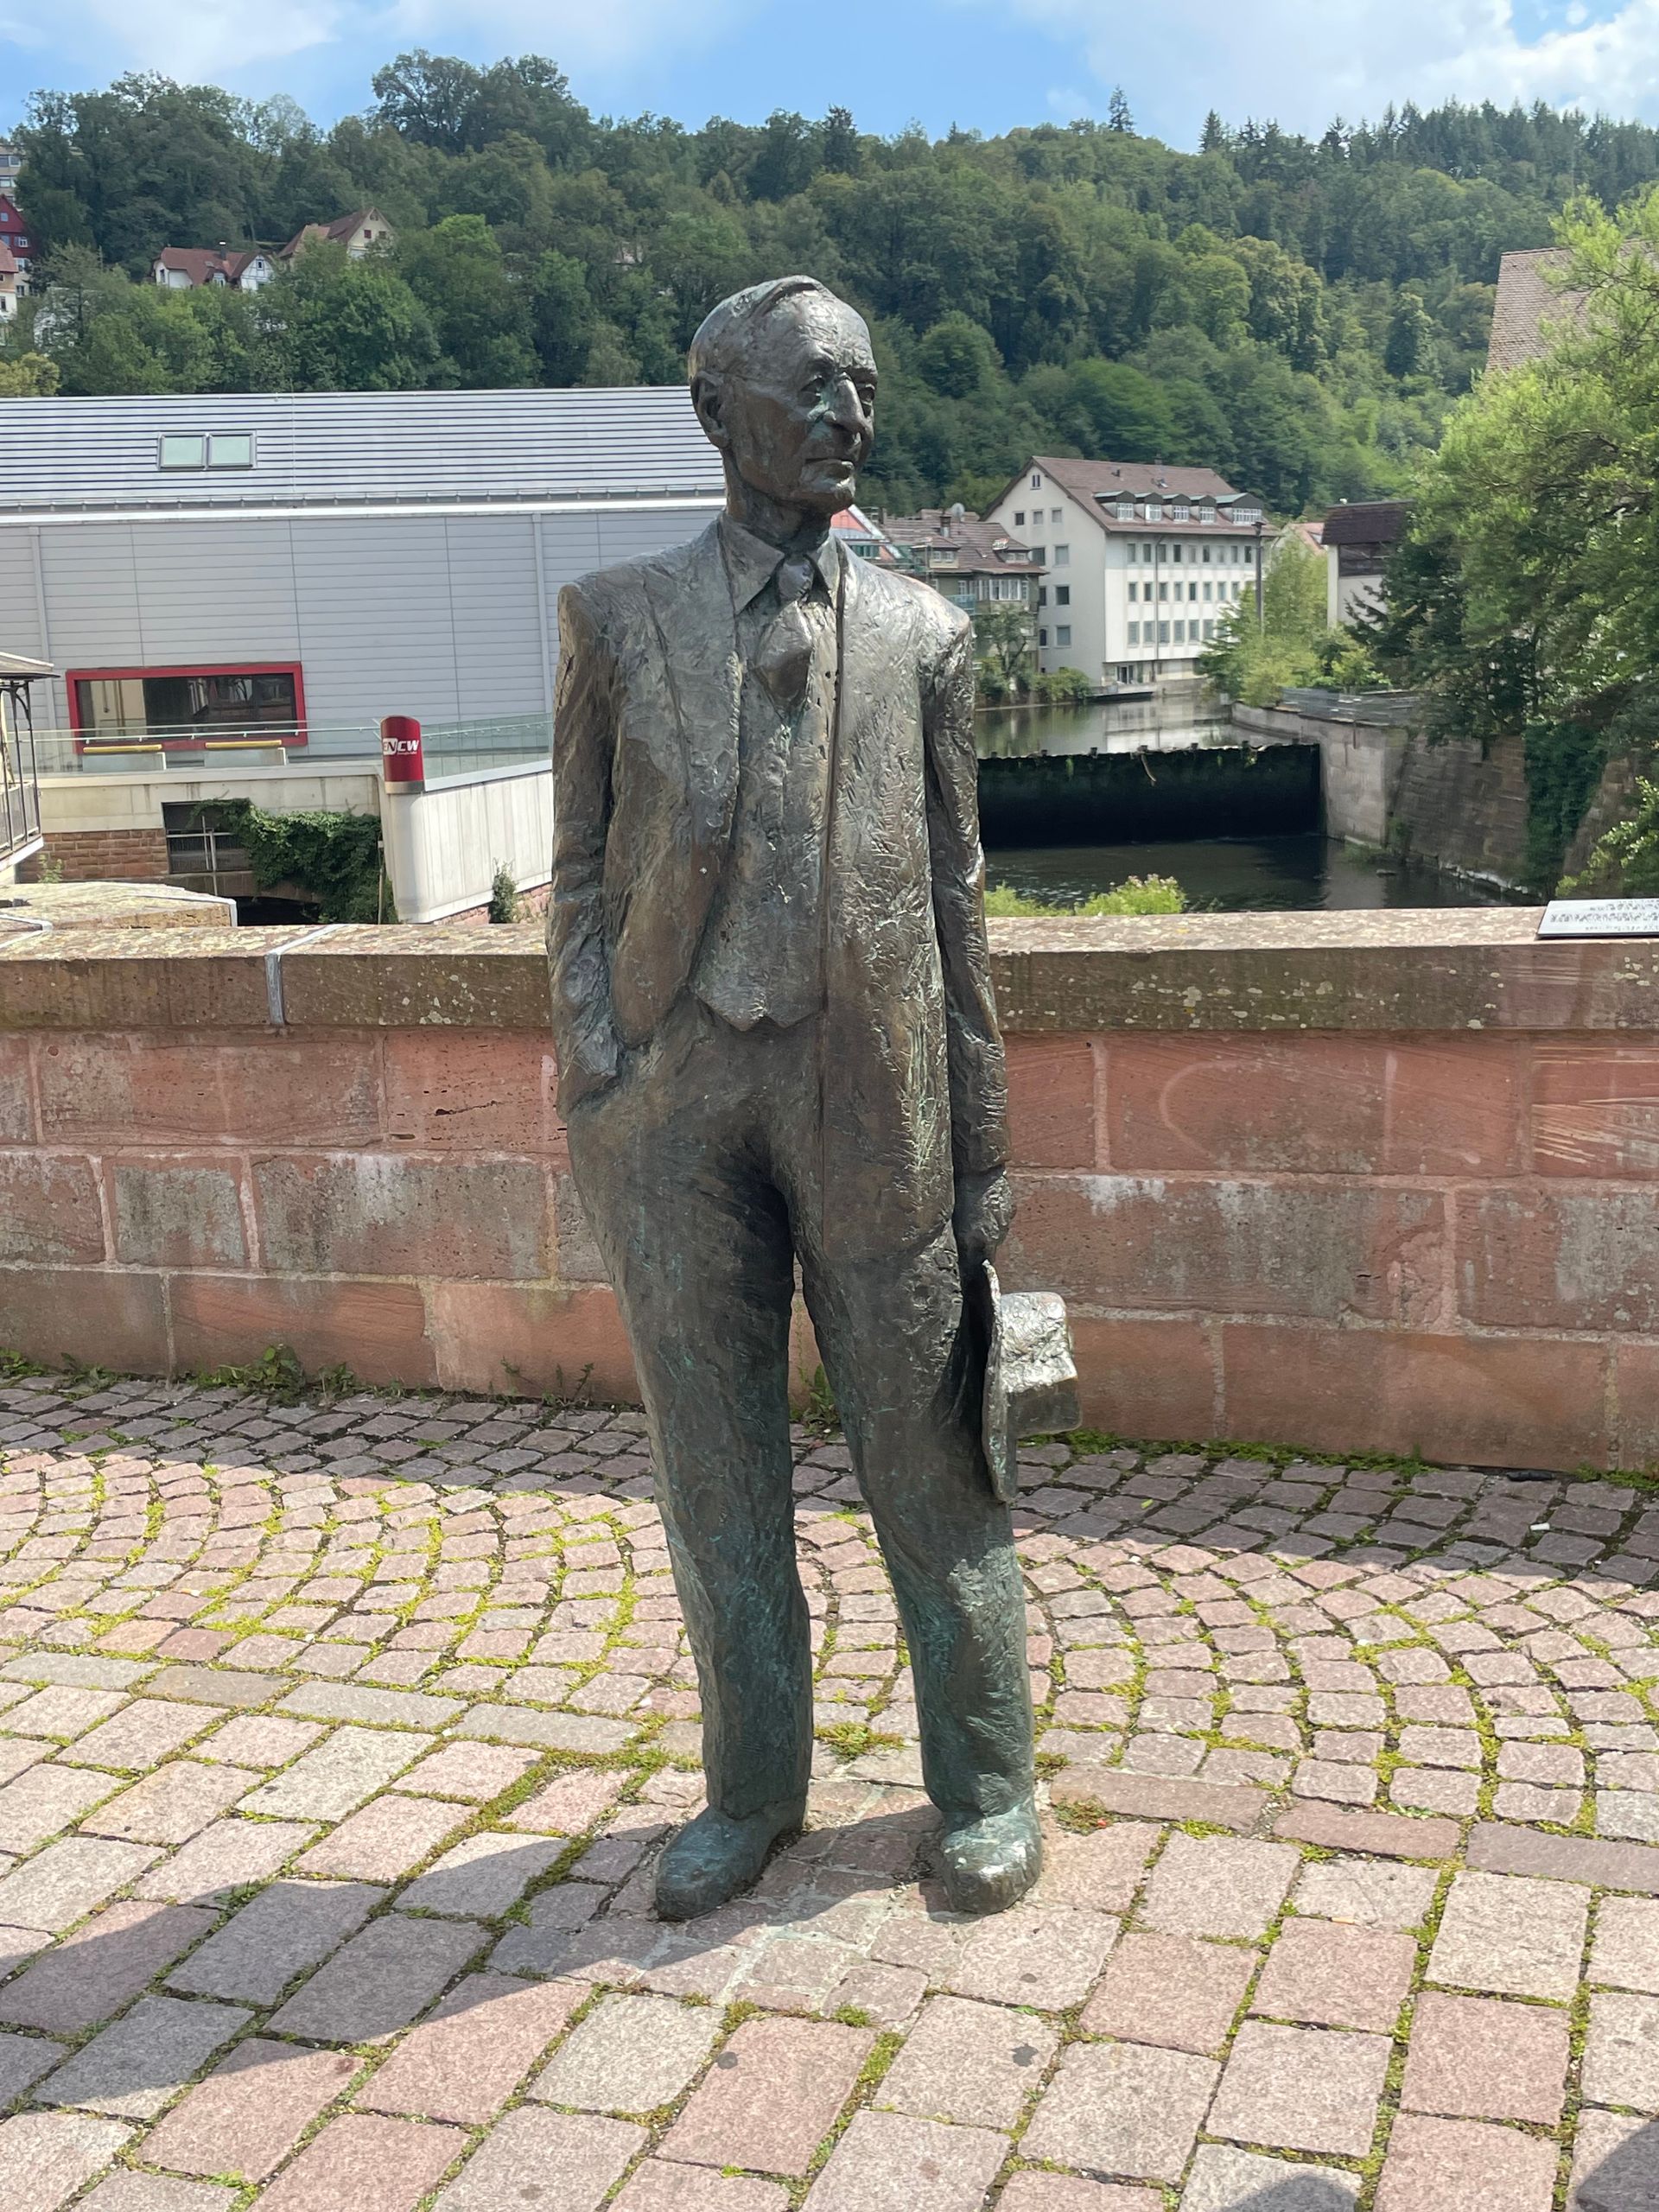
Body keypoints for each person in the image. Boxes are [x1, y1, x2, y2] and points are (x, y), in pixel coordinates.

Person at [547, 275, 1039, 1919]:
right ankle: (753, 1790)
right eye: (817, 385)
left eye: (866, 389)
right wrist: (596, 1066)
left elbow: (958, 906)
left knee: (933, 1449)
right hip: (671, 1098)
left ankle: (986, 1778)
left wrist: (983, 1152)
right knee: (716, 1469)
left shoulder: (926, 638)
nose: (850, 414)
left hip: (873, 1088)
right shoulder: (615, 618)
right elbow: (573, 870)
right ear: (718, 407)